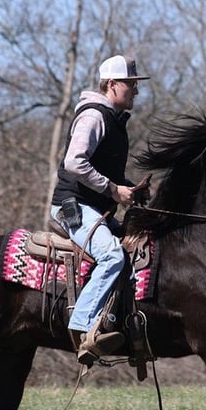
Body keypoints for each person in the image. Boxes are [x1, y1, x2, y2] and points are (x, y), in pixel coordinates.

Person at [50, 54, 151, 365]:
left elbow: (103, 170)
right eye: (130, 84)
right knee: (112, 255)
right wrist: (112, 190)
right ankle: (83, 330)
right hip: (72, 208)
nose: (135, 90)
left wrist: (129, 189)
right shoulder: (94, 116)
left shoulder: (115, 120)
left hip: (93, 208)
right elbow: (74, 162)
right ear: (111, 84)